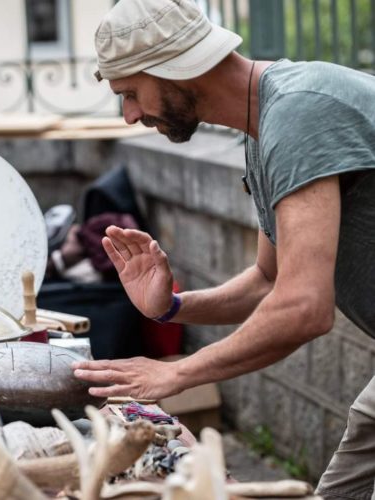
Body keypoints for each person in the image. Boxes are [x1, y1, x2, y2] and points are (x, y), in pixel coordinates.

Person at [71, 0, 375, 497]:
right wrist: (170, 307)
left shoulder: (299, 113)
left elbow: (304, 307)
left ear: (173, 67)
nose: (127, 115)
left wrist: (176, 374)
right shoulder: (267, 128)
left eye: (129, 93)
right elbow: (267, 280)